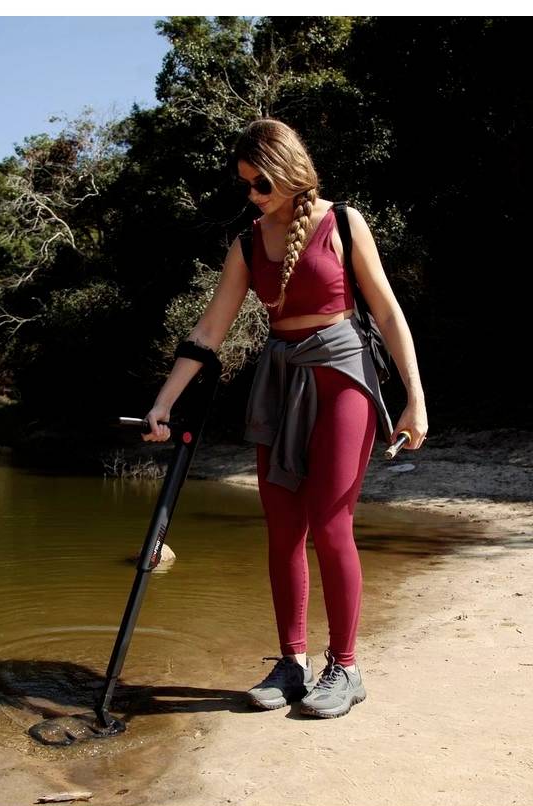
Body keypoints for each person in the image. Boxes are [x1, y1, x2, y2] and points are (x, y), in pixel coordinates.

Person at [142, 118, 427, 719]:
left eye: (260, 182)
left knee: (329, 524)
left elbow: (389, 312)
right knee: (281, 528)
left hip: (343, 374)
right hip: (280, 380)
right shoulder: (246, 243)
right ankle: (291, 663)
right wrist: (165, 400)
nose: (252, 194)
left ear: (290, 169)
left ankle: (345, 667)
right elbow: (210, 329)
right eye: (245, 185)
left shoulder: (344, 222)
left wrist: (414, 398)